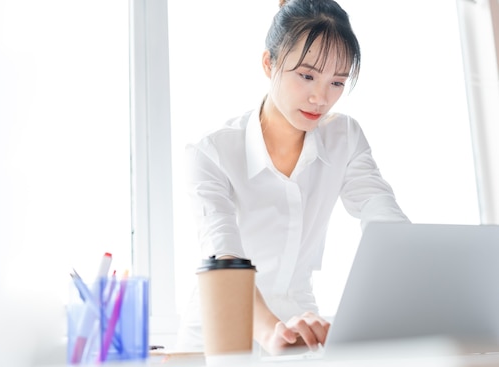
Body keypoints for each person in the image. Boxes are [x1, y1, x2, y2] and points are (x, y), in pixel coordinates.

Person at [175, 0, 410, 355]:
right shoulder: (211, 152)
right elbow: (223, 257)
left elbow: (383, 217)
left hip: (301, 335)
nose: (321, 97)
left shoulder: (343, 137)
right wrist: (271, 332)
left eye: (337, 82)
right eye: (306, 75)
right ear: (269, 63)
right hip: (219, 339)